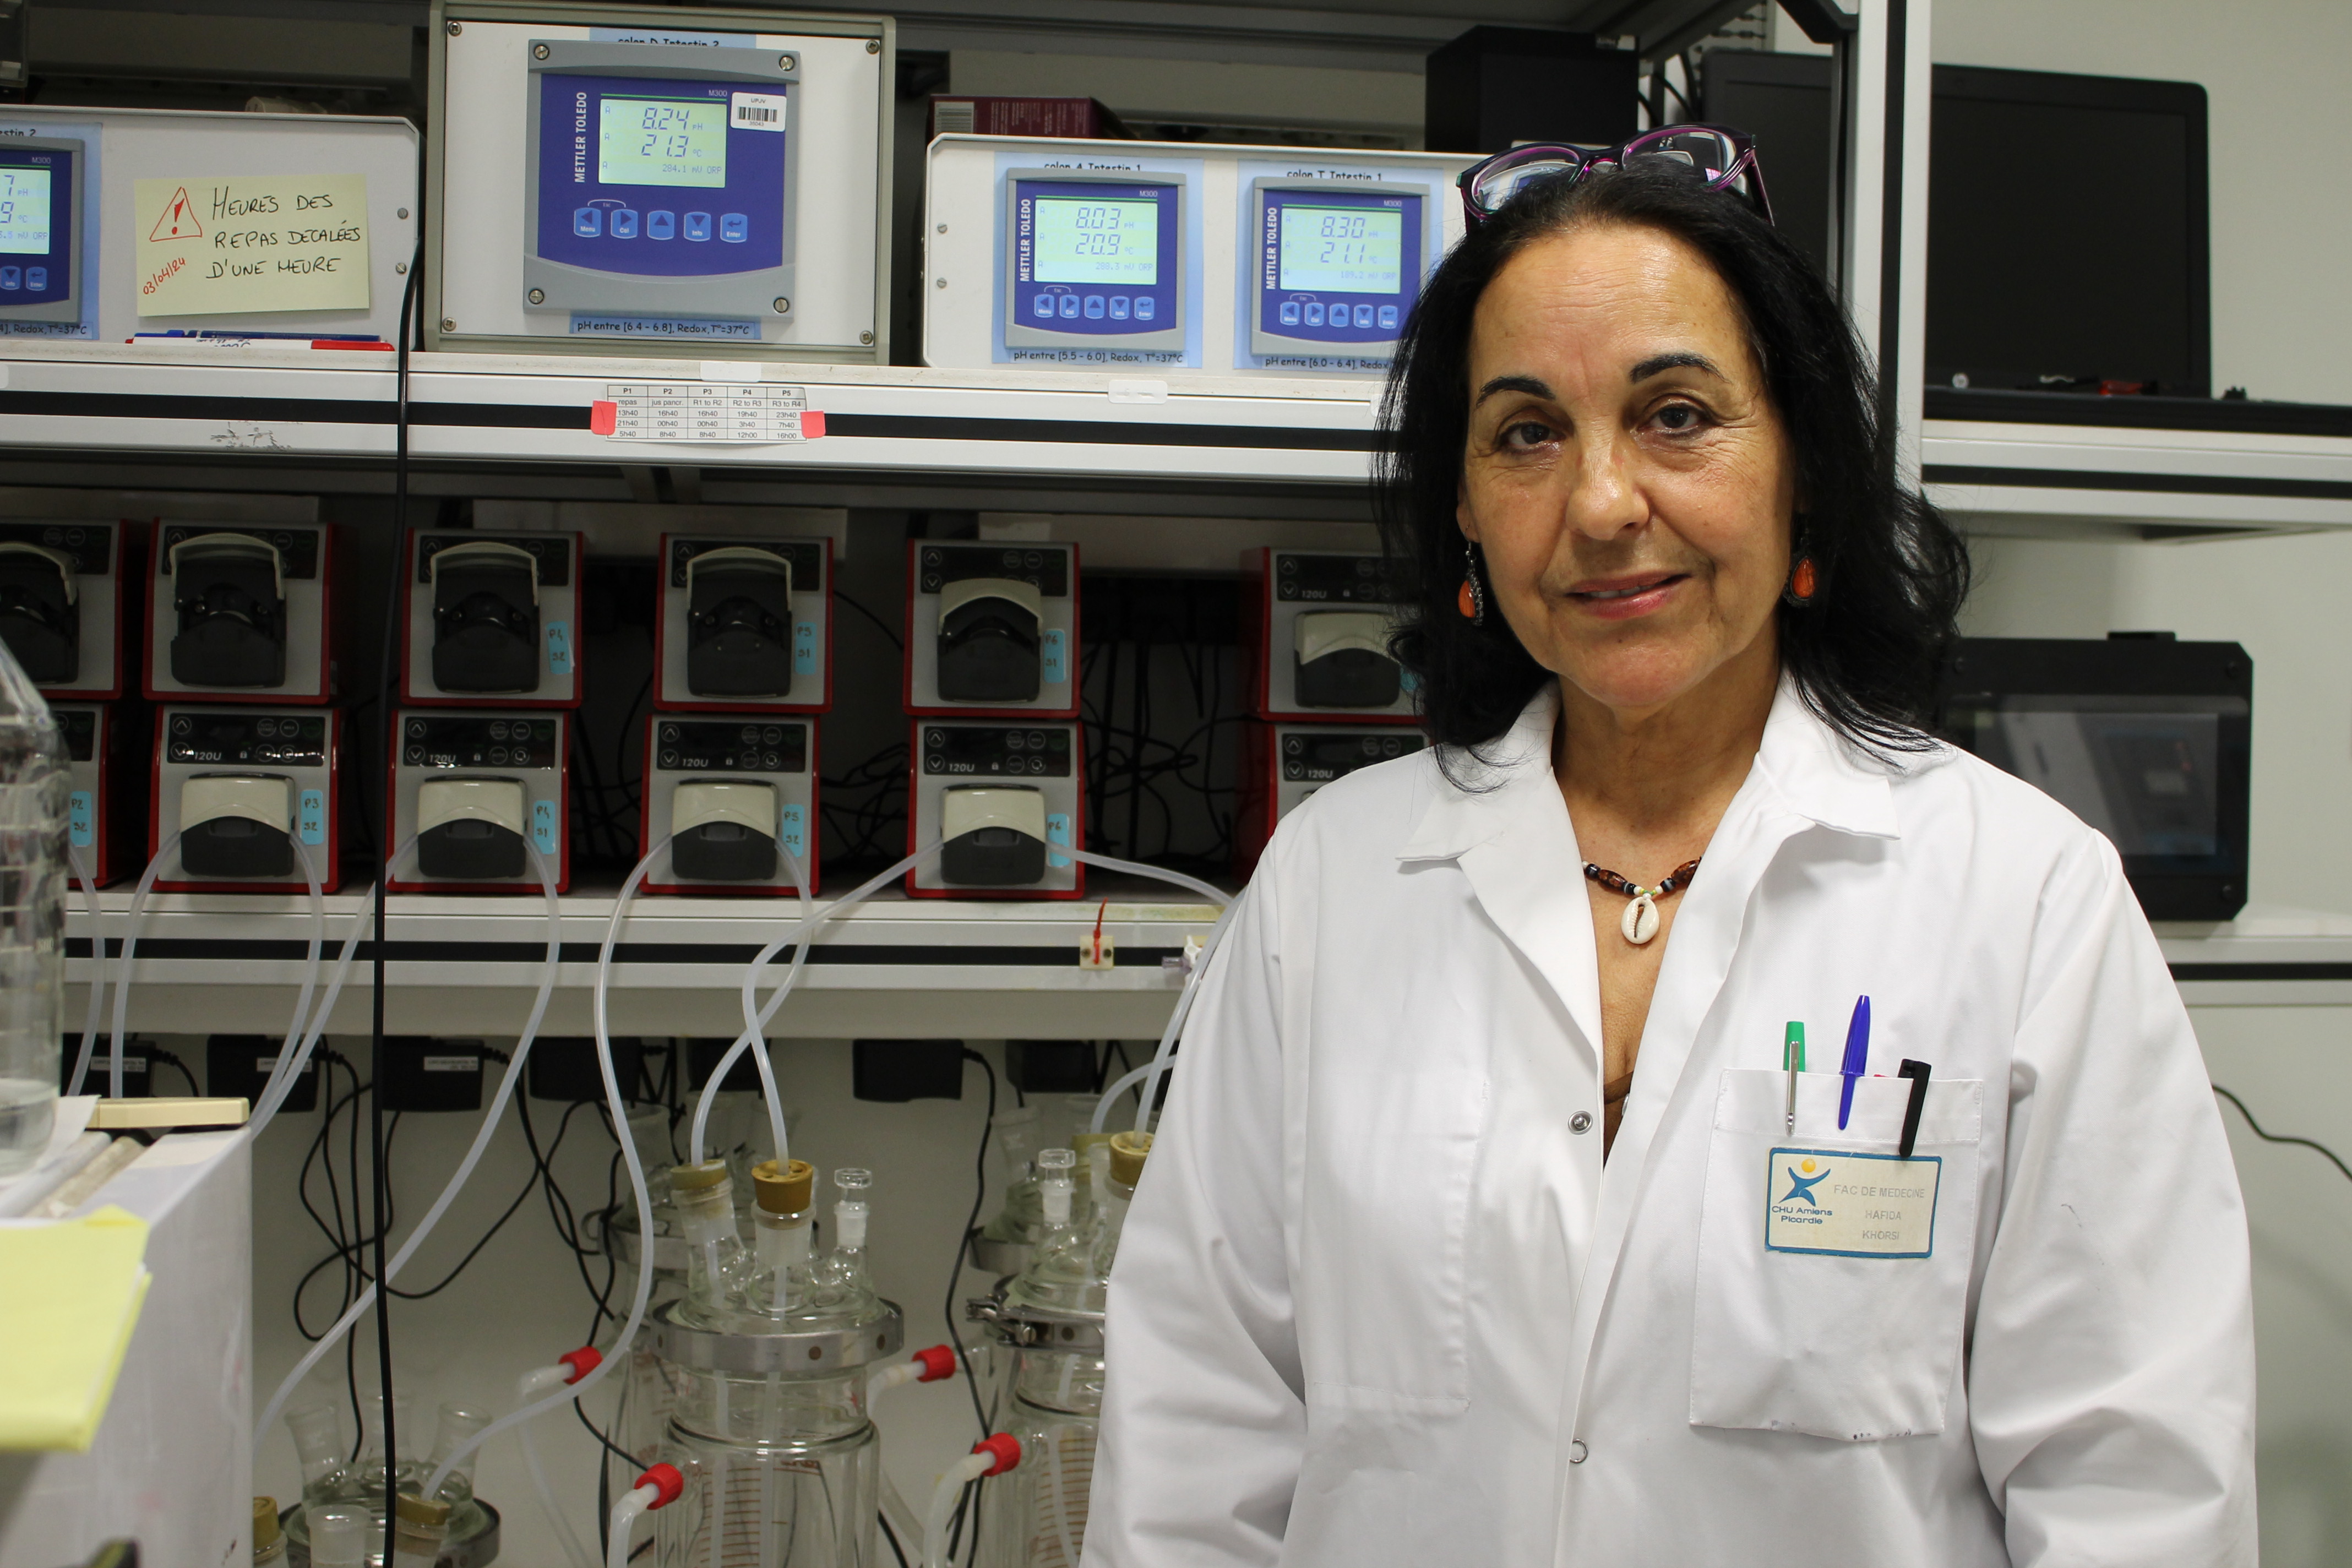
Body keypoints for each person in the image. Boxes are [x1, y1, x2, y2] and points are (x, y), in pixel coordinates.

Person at [1086, 135, 2255, 1566]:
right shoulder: (1331, 886)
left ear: (1802, 468)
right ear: (1464, 509)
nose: (1600, 505)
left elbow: (2137, 1493)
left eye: (1677, 416)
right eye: (1527, 434)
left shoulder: (2025, 901)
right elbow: (1198, 1448)